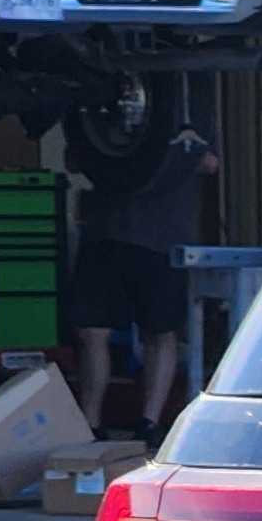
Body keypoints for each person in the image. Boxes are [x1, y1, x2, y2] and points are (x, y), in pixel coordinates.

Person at [67, 113, 217, 437]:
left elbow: (209, 162)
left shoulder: (187, 105)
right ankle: (89, 423)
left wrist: (159, 152)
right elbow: (74, 161)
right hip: (104, 234)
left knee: (160, 332)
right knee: (91, 332)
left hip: (162, 239)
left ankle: (149, 422)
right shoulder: (107, 109)